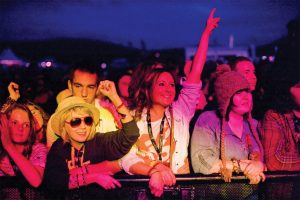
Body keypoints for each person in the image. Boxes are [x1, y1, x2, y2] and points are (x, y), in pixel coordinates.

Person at [120, 8, 220, 197]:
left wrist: (206, 33)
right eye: (161, 84)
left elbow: (195, 73)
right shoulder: (133, 116)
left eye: (172, 85)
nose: (168, 89)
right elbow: (126, 157)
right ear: (148, 88)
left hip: (179, 190)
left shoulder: (181, 110)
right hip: (145, 191)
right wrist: (153, 170)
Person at [43, 81, 139, 199]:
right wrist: (94, 178)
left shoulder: (99, 142)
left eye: (87, 120)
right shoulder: (59, 147)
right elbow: (53, 181)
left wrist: (114, 97)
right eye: (75, 121)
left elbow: (131, 134)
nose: (83, 126)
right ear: (64, 126)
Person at [191, 68, 265, 184]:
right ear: (226, 97)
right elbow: (201, 163)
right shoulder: (208, 120)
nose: (245, 97)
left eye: (247, 91)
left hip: (252, 195)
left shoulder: (254, 125)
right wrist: (240, 166)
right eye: (239, 93)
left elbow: (264, 161)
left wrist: (260, 165)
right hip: (217, 196)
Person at [46, 60, 121, 148]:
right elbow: (51, 156)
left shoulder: (106, 116)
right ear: (70, 86)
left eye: (90, 87)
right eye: (78, 86)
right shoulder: (56, 119)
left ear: (97, 89)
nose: (84, 94)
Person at [260, 67, 300, 171]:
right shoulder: (274, 116)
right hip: (289, 185)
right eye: (299, 86)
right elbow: (274, 162)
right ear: (286, 90)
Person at [0, 104, 47, 188]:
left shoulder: (38, 149)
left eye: (26, 125)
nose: (20, 129)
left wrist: (9, 146)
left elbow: (36, 182)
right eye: (15, 123)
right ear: (5, 125)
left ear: (31, 129)